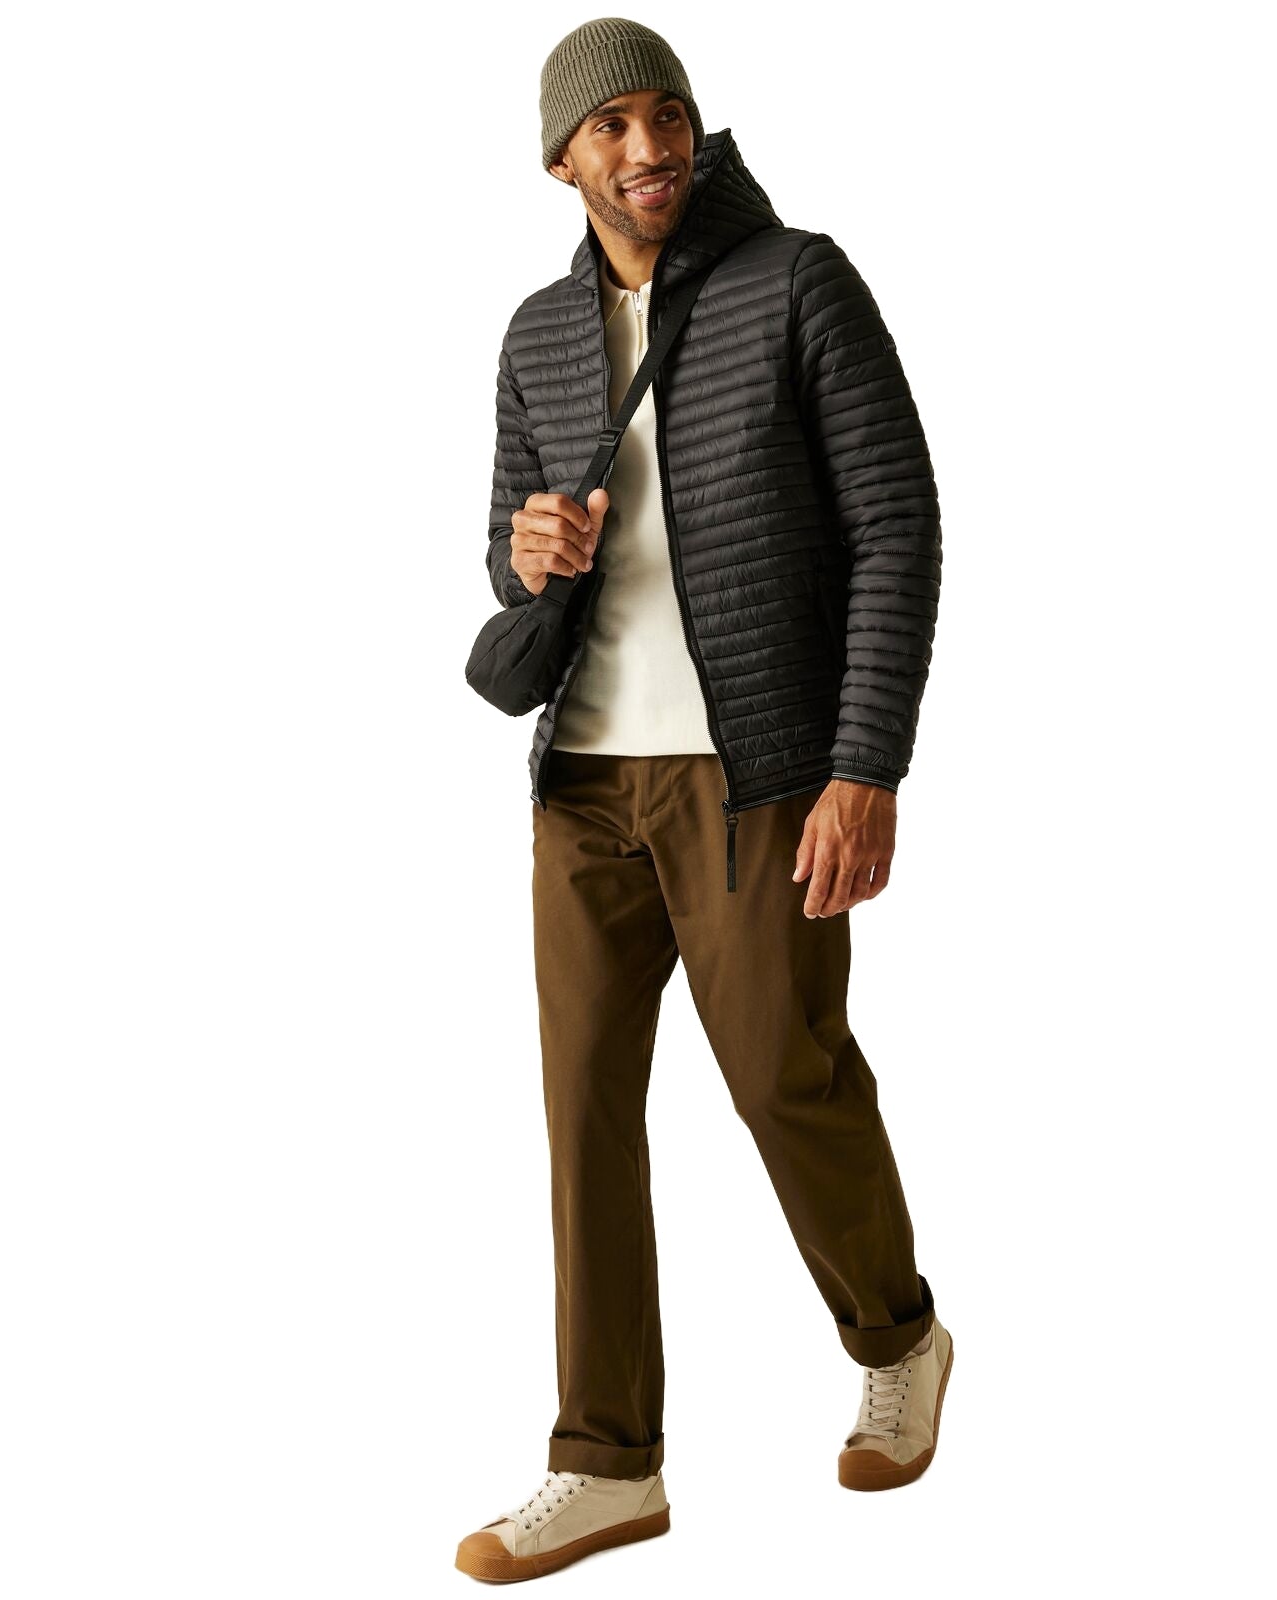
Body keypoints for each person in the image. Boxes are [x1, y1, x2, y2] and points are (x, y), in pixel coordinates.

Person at [456, 17, 950, 1583]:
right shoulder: (539, 334)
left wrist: (864, 766)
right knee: (584, 1119)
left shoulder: (797, 282)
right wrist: (527, 552)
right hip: (583, 785)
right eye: (611, 128)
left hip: (757, 778)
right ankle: (605, 1462)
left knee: (786, 1080)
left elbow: (896, 525)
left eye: (665, 114)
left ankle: (900, 1339)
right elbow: (508, 554)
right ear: (561, 161)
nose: (649, 148)